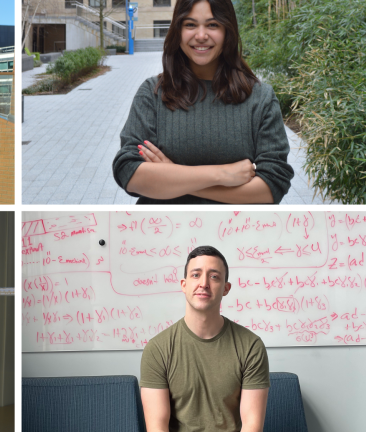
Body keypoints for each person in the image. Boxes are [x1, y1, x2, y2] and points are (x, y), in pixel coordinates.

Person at [113, 0, 294, 204]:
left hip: (239, 233)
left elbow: (273, 185)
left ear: (228, 31)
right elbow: (129, 172)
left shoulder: (259, 98)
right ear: (177, 31)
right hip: (162, 231)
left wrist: (174, 176)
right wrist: (220, 175)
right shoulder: (153, 94)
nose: (201, 35)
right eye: (190, 25)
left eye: (212, 25)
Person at [140, 246, 269, 432]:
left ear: (226, 288)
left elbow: (252, 426)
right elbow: (157, 428)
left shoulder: (251, 346)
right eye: (195, 275)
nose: (204, 283)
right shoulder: (157, 349)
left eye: (214, 276)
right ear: (184, 285)